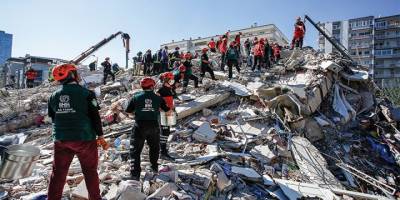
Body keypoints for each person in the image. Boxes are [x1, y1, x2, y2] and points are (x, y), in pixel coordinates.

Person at [47, 64, 104, 200]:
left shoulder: (53, 96)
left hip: (61, 140)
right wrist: (100, 135)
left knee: (58, 173)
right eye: (76, 72)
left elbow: (54, 118)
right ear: (72, 74)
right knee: (90, 171)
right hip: (84, 138)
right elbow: (95, 117)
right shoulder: (87, 93)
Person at [125, 77, 170, 180]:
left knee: (135, 151)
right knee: (154, 148)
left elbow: (128, 112)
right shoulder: (158, 98)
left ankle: (135, 174)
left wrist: (137, 113)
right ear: (152, 86)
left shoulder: (136, 97)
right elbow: (167, 111)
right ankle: (154, 167)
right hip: (154, 126)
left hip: (139, 126)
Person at [156, 72, 177, 160]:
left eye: (172, 79)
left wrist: (174, 110)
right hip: (163, 113)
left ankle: (163, 149)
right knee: (164, 132)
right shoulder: (161, 89)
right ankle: (163, 153)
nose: (172, 81)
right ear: (166, 80)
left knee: (167, 132)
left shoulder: (170, 88)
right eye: (170, 79)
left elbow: (171, 100)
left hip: (169, 112)